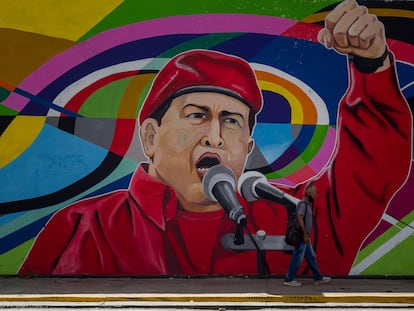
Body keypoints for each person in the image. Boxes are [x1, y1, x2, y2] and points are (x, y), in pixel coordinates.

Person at [19, 0, 411, 276]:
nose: (215, 137)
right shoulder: (84, 227)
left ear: (248, 149)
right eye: (196, 115)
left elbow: (372, 166)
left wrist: (372, 64)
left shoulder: (292, 216)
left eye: (232, 122)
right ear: (150, 137)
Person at [284, 183, 331, 286]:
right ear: (308, 192)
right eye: (315, 192)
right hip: (301, 236)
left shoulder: (307, 205)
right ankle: (289, 279)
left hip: (305, 236)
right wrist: (305, 234)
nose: (316, 195)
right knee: (298, 257)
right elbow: (300, 218)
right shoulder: (303, 204)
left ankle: (318, 278)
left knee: (311, 257)